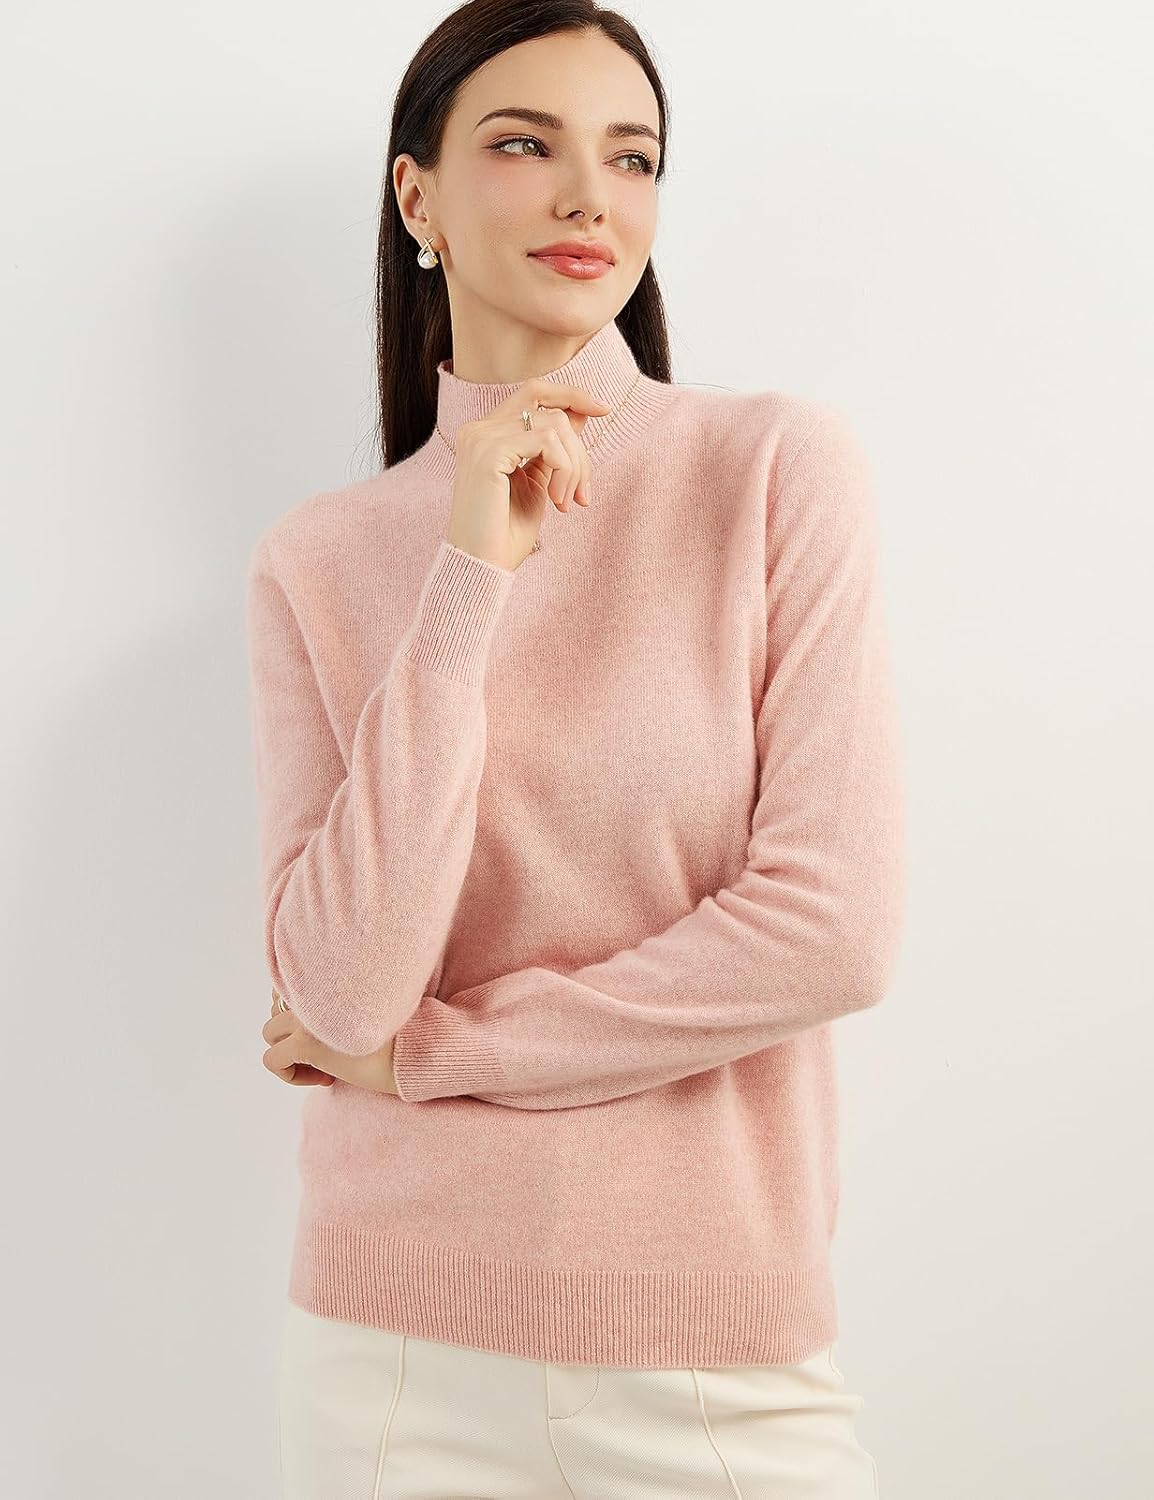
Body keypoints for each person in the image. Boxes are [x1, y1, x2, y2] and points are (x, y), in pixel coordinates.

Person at [246, 2, 905, 1494]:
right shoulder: (318, 559)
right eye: (523, 143)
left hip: (710, 1359)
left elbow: (832, 931)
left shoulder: (772, 467)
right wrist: (466, 578)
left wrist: (435, 1057)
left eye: (632, 156)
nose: (588, 196)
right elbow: (336, 990)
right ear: (417, 196)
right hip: (388, 1360)